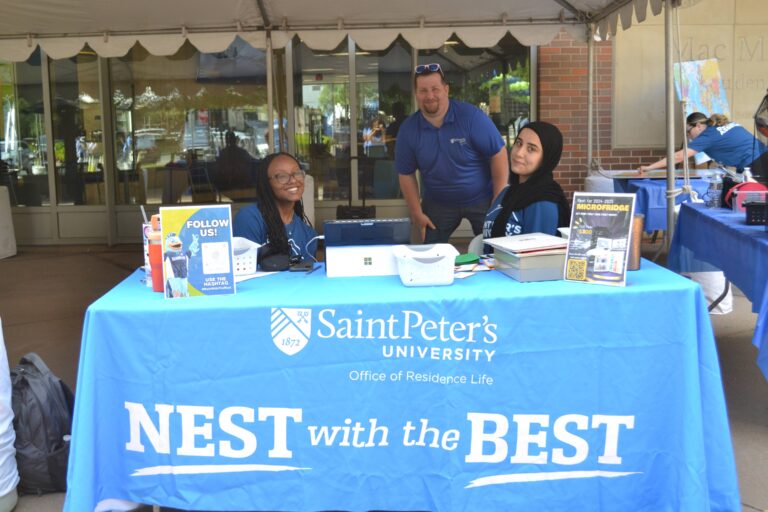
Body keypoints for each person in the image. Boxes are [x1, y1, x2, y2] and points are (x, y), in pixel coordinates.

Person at [396, 62, 509, 243]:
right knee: (429, 255)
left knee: (495, 250)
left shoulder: (471, 117)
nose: (430, 96)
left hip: (481, 198)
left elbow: (498, 153)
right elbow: (406, 173)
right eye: (423, 90)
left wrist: (498, 198)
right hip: (438, 202)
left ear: (446, 89)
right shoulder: (408, 130)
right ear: (416, 94)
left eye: (435, 89)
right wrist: (416, 213)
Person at [484, 121, 571, 238]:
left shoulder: (543, 201)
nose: (519, 153)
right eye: (518, 143)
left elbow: (536, 253)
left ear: (546, 158)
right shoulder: (508, 192)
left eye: (531, 149)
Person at [233, 152, 317, 261]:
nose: (293, 180)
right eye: (282, 176)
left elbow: (306, 277)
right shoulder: (249, 218)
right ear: (266, 183)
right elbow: (244, 268)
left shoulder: (309, 235)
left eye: (297, 173)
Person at [638, 112, 768, 177]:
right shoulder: (723, 125)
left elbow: (678, 157)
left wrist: (649, 168)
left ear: (699, 126)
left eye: (688, 132)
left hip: (756, 165)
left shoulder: (708, 135)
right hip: (760, 158)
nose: (688, 137)